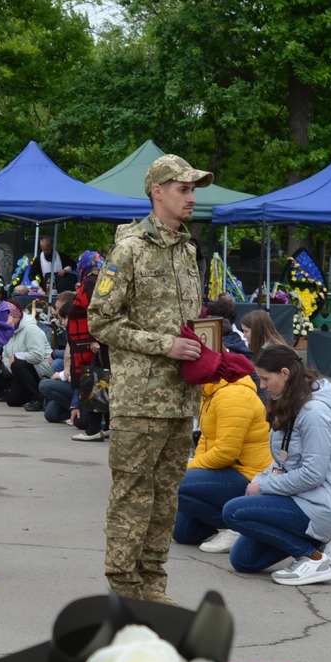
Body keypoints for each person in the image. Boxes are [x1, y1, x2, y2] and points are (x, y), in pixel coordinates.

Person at [89, 153, 213, 604]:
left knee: (166, 499)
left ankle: (153, 585)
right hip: (141, 398)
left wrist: (204, 349)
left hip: (180, 397)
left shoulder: (187, 249)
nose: (192, 197)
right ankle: (123, 590)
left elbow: (189, 321)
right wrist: (165, 345)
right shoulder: (129, 250)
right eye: (183, 189)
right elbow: (101, 321)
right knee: (132, 496)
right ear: (156, 192)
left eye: (194, 189)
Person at [214, 343, 331, 583]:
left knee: (233, 511)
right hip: (301, 499)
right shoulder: (291, 401)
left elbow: (313, 475)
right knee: (243, 560)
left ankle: (312, 557)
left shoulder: (314, 413)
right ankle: (323, 540)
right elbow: (284, 460)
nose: (262, 385)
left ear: (285, 373)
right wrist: (261, 478)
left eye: (266, 379)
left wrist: (264, 486)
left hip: (320, 505)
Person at [173, 356, 270, 553]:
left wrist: (189, 468)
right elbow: (205, 438)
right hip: (227, 470)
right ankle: (223, 520)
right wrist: (195, 465)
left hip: (248, 474)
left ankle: (234, 527)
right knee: (183, 534)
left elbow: (226, 453)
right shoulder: (211, 391)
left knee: (173, 481)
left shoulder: (234, 395)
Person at [65, 253, 108, 441]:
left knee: (94, 380)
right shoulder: (101, 280)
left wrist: (93, 338)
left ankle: (93, 430)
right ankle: (103, 427)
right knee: (100, 379)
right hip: (92, 341)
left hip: (89, 343)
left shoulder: (90, 282)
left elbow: (94, 310)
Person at [0, 298, 54, 409]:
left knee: (18, 363)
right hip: (22, 369)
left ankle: (38, 399)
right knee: (12, 401)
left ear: (16, 315)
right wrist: (11, 367)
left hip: (41, 367)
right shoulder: (9, 330)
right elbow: (5, 355)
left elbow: (37, 355)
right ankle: (30, 392)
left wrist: (16, 358)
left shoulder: (31, 329)